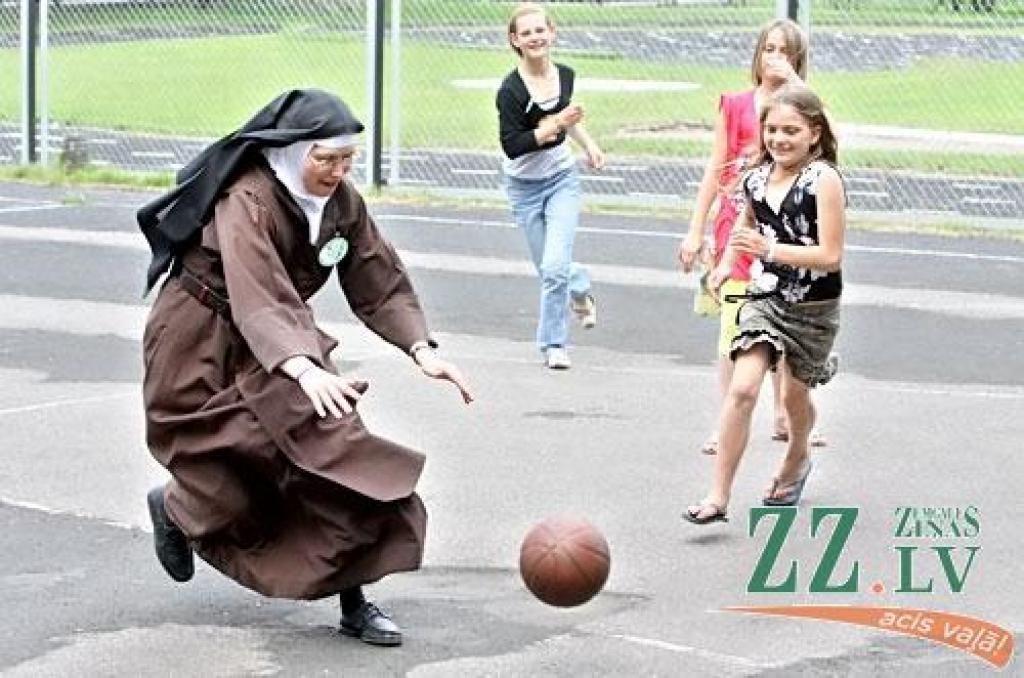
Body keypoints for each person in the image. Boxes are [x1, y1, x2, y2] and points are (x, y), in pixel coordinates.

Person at [137, 88, 474, 646]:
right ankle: (178, 507)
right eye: (326, 159)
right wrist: (304, 367)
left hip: (280, 338)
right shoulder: (247, 198)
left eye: (347, 160)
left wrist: (421, 349)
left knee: (335, 453)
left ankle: (356, 601)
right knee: (228, 476)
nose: (338, 172)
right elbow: (257, 294)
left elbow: (377, 275)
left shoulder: (342, 202)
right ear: (293, 151)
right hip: (200, 338)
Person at [683, 84, 845, 524]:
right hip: (765, 296)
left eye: (791, 130)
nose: (779, 139)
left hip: (812, 306)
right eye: (771, 129)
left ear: (813, 133)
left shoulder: (823, 180)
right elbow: (745, 221)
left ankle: (798, 454)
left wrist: (768, 250)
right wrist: (723, 266)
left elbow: (829, 255)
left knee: (795, 398)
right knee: (743, 387)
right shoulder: (756, 178)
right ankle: (717, 496)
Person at [677, 19, 831, 455]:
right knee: (735, 328)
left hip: (789, 233)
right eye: (768, 49)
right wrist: (695, 230)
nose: (775, 58)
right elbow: (715, 169)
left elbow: (830, 142)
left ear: (798, 59)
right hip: (739, 231)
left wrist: (797, 86)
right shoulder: (736, 105)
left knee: (788, 325)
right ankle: (726, 418)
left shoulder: (802, 112)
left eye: (785, 51)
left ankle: (790, 412)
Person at [497, 1, 605, 370]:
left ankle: (553, 344)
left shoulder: (566, 75)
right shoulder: (510, 91)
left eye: (540, 30)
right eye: (526, 33)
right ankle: (580, 285)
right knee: (551, 269)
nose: (535, 37)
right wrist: (555, 123)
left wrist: (588, 144)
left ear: (552, 33)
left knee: (554, 266)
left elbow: (569, 120)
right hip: (523, 187)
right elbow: (514, 146)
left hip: (562, 180)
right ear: (515, 40)